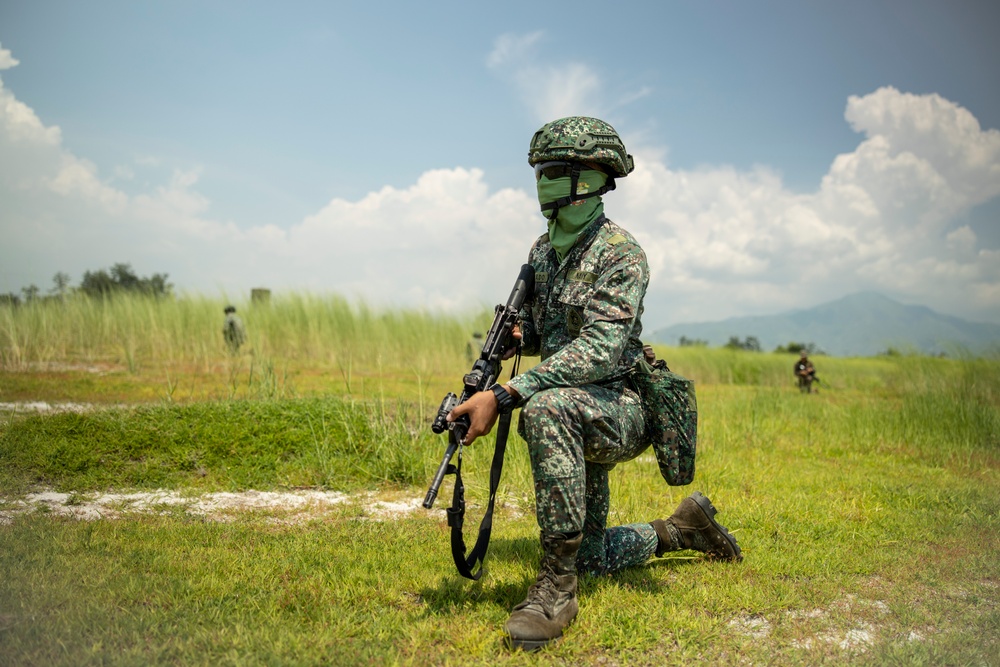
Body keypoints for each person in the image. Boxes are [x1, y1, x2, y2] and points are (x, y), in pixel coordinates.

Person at [448, 117, 741, 651]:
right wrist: (519, 337)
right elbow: (550, 333)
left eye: (556, 171)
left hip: (621, 406)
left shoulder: (621, 253)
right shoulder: (543, 250)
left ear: (592, 179)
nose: (544, 183)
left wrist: (507, 393)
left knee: (544, 409)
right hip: (575, 401)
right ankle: (682, 529)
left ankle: (555, 589)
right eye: (540, 171)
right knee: (595, 557)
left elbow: (600, 348)